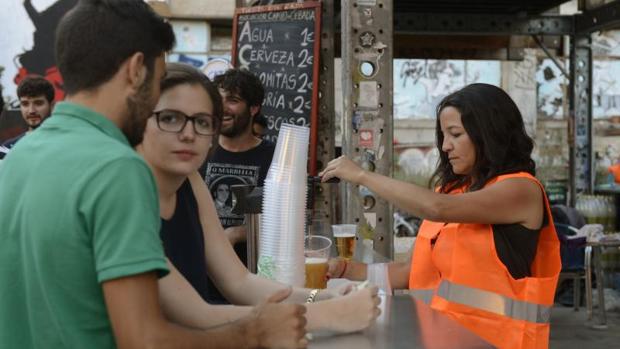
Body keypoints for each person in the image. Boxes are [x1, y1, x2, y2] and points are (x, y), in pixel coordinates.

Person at [0, 1, 305, 349]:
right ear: (135, 70)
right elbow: (144, 338)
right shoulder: (116, 167)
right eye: (158, 83)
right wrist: (253, 334)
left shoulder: (19, 157)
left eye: (203, 122)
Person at [137, 62, 380, 334]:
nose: (188, 133)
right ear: (140, 119)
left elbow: (240, 282)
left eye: (203, 121)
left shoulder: (191, 182)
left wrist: (325, 297)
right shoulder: (126, 189)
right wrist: (329, 314)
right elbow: (194, 314)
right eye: (170, 118)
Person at [320, 83, 561, 349]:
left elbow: (437, 207)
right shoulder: (453, 192)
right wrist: (346, 270)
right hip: (441, 339)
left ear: (490, 133)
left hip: (500, 342)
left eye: (455, 134)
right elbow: (409, 273)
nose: (445, 146)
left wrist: (362, 175)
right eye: (443, 136)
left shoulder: (521, 189)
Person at [202, 68, 275, 302]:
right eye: (218, 100)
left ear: (254, 108)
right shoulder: (197, 150)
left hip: (254, 282)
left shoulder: (274, 158)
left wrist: (237, 233)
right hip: (200, 280)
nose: (222, 108)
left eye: (232, 101)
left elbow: (285, 219)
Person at [0, 75, 54, 159]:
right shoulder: (7, 149)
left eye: (38, 103)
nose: (31, 110)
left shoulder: (67, 144)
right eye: (25, 104)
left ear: (52, 105)